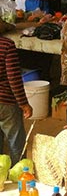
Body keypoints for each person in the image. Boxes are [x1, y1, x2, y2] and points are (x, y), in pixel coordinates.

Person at [0, 26, 32, 165]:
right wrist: (24, 103)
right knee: (15, 141)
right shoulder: (7, 45)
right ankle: (18, 176)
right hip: (5, 101)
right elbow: (14, 78)